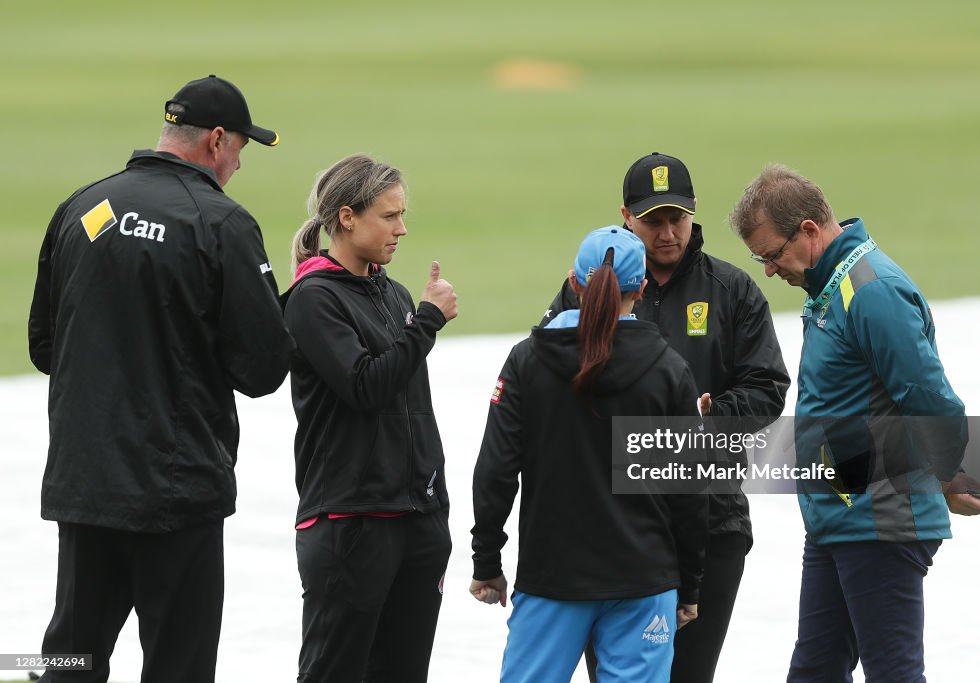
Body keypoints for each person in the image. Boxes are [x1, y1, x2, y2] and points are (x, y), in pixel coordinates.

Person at [26, 74, 292, 682]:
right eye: (241, 152)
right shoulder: (222, 223)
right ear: (217, 140)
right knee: (179, 666)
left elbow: (45, 347)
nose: (238, 167)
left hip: (85, 485)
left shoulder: (83, 206)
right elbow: (264, 369)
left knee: (69, 657)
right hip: (178, 492)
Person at [729, 164, 980, 682]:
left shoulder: (869, 291)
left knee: (891, 673)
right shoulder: (834, 284)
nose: (768, 269)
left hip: (879, 519)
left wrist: (947, 474)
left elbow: (929, 396)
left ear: (809, 230)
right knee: (815, 671)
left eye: (771, 255)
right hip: (840, 515)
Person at [542, 152, 790, 682]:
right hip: (611, 527)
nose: (668, 233)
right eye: (653, 221)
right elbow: (543, 379)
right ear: (627, 217)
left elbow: (768, 389)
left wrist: (708, 419)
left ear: (694, 212)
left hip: (711, 521)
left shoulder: (732, 291)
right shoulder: (585, 289)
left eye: (677, 218)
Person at [472, 226, 709, 683]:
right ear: (640, 290)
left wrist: (487, 560)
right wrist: (690, 583)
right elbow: (689, 490)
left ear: (574, 283)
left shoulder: (527, 361)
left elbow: (496, 470)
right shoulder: (669, 370)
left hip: (552, 579)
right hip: (645, 581)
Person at [281, 154, 457, 683]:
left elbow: (414, 407)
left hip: (415, 519)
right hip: (350, 522)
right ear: (347, 217)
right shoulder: (312, 299)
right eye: (389, 215)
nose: (401, 229)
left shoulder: (393, 293)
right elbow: (365, 386)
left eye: (403, 215)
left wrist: (436, 508)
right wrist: (425, 322)